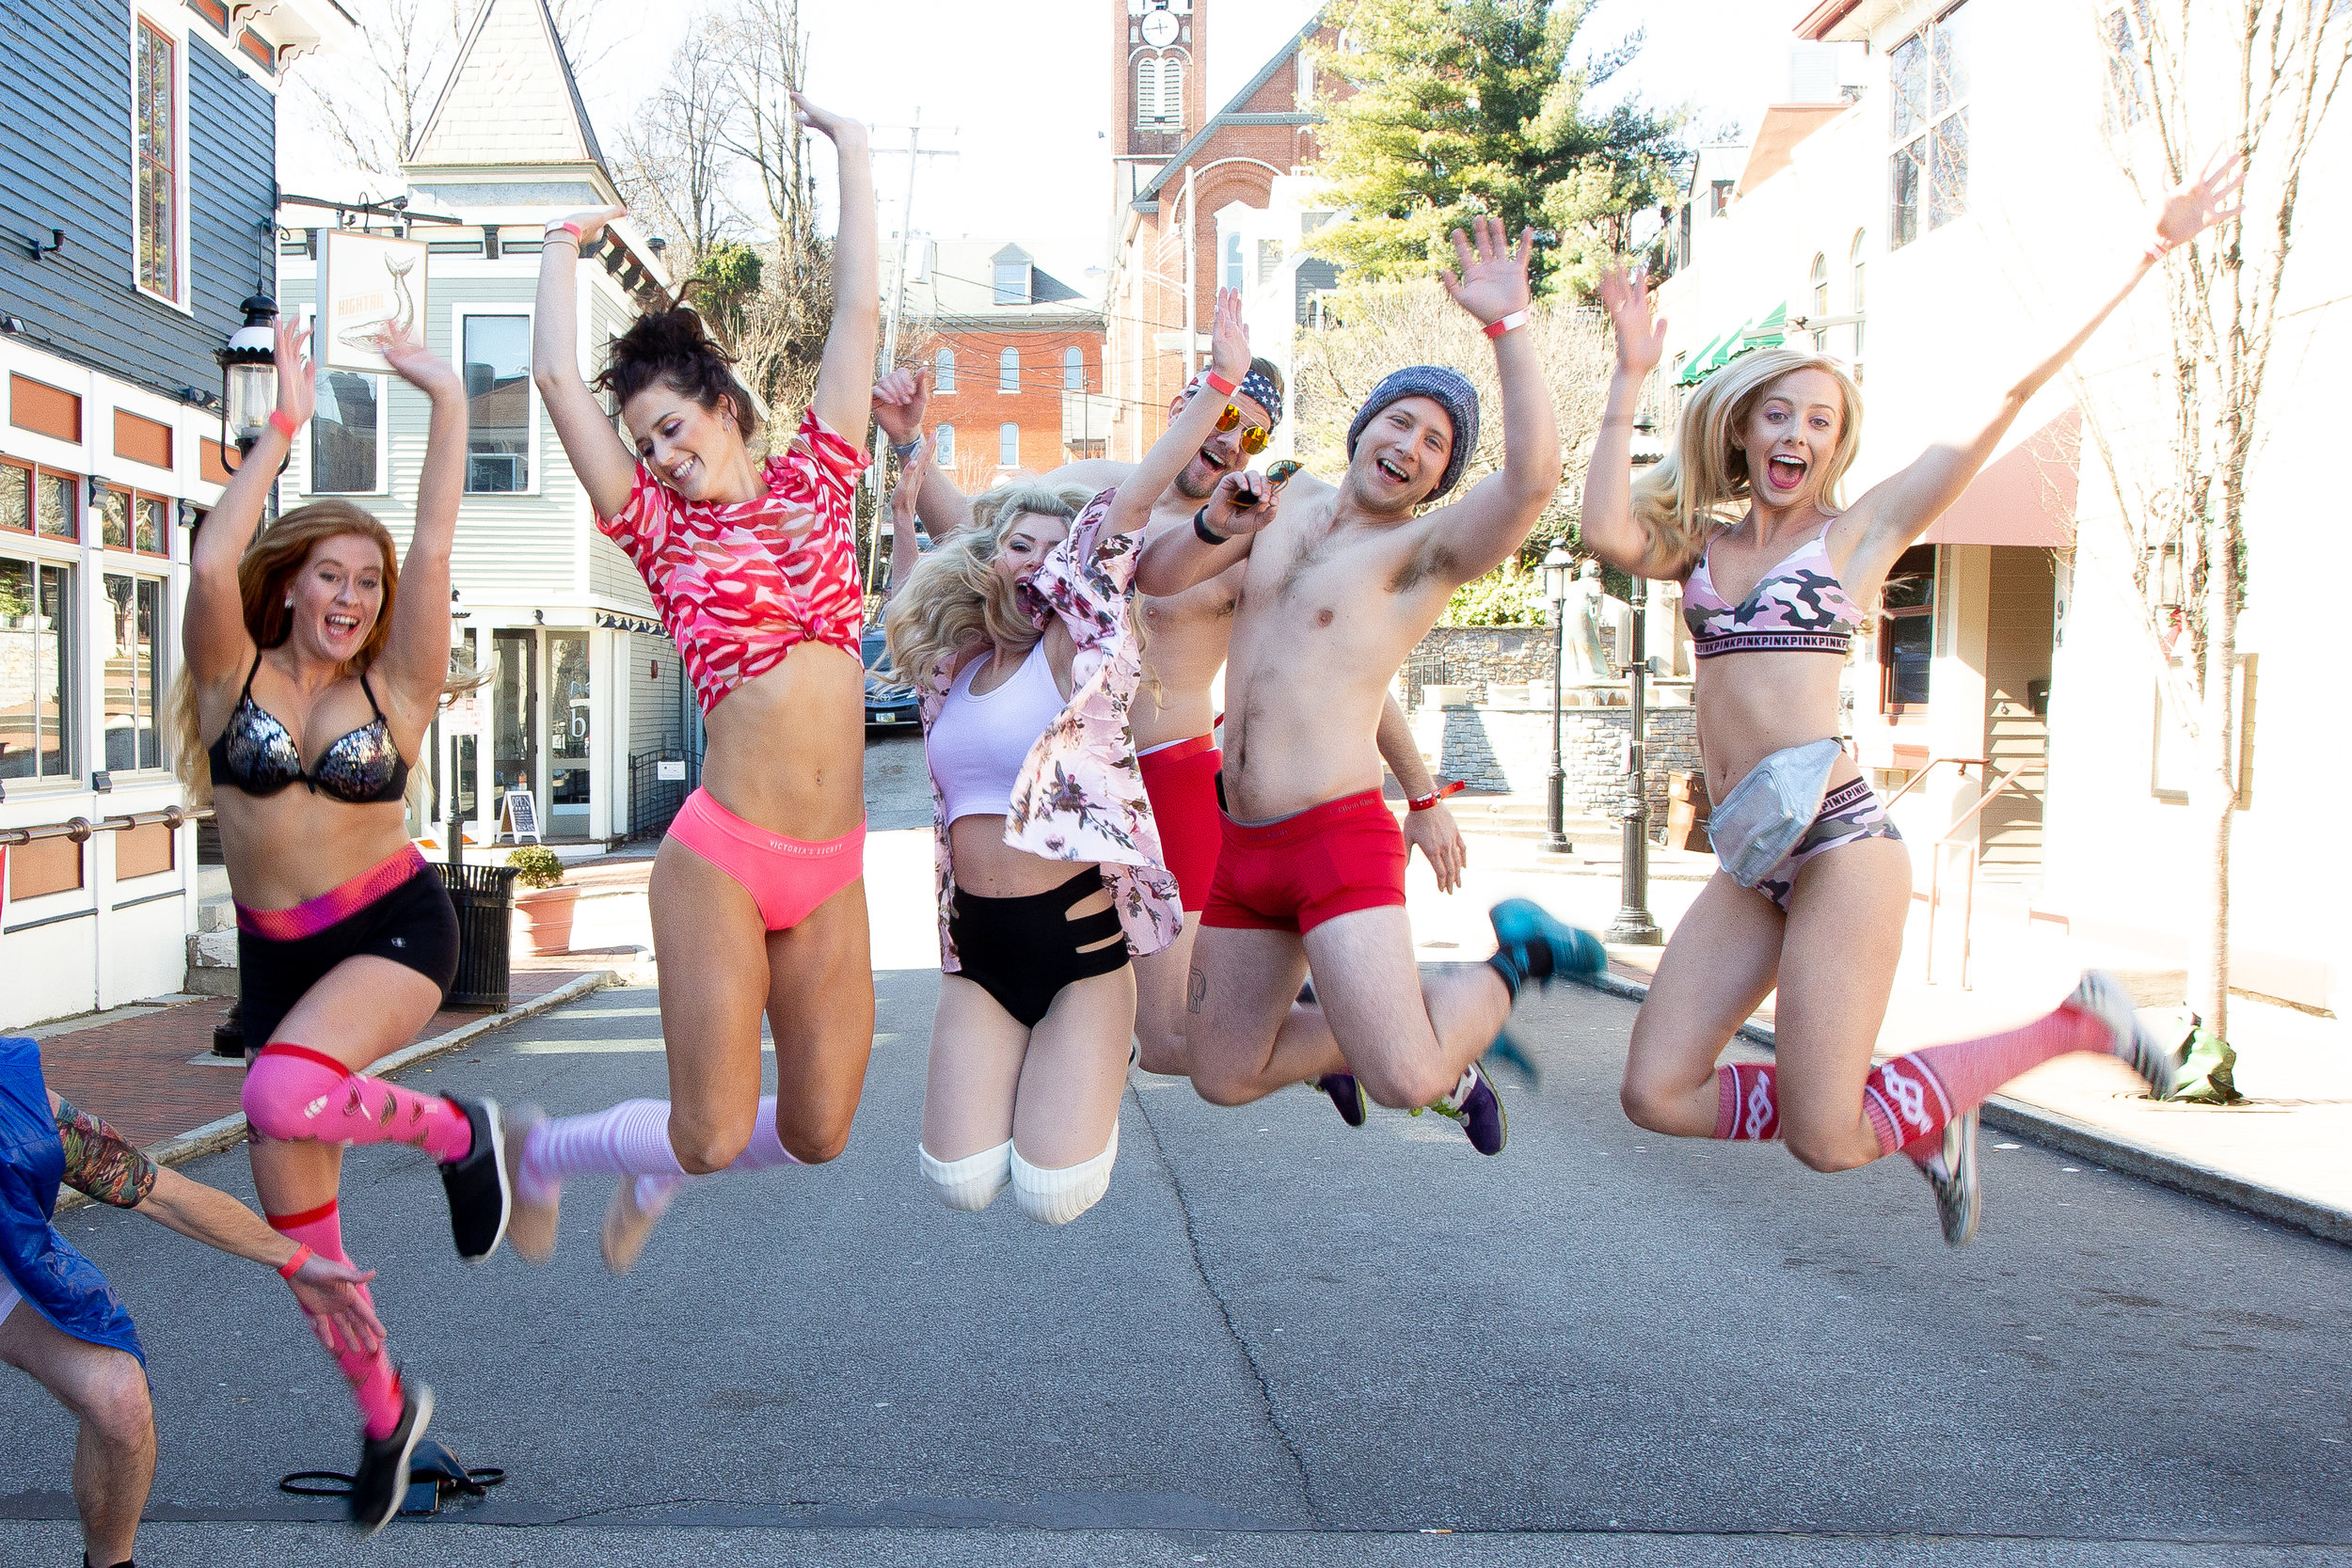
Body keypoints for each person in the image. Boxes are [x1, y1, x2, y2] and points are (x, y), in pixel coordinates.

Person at [1578, 150, 2245, 1244]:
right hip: (1754, 853)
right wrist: (1626, 374)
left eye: (1821, 422)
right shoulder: (1698, 543)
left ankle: (2073, 1024)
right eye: (1778, 414)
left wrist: (2146, 250)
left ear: (1841, 444)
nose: (1797, 435)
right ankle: (1917, 1112)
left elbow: (2004, 395)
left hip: (1840, 848)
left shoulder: (1859, 534)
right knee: (1654, 1089)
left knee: (1827, 1137)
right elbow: (1604, 530)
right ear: (1742, 426)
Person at [872, 354, 1465, 1130]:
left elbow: (1349, 674)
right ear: (1189, 402)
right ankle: (1343, 1035)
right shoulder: (1095, 488)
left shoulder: (1256, 525)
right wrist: (914, 444)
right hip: (1073, 782)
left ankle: (1378, 1036)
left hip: (1172, 773)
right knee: (1107, 1008)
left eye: (1251, 438)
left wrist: (1421, 793)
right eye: (1222, 419)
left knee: (1169, 1039)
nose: (1229, 445)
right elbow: (980, 532)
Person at [1131, 218, 1603, 1154]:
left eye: (1436, 445)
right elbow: (1157, 580)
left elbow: (1532, 480)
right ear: (1364, 425)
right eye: (1403, 421)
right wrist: (1217, 527)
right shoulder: (1281, 499)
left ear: (1438, 480)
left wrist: (1508, 328)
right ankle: (1408, 1019)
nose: (1413, 446)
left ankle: (1517, 958)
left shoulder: (1416, 557)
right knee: (1220, 1071)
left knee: (1413, 1078)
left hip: (1334, 840)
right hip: (1244, 845)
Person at [511, 94, 879, 1275]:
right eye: (648, 442)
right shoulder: (656, 533)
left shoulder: (824, 475)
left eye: (673, 427)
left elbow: (857, 311)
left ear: (723, 405)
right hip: (723, 854)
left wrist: (855, 155)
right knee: (714, 1130)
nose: (663, 455)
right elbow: (560, 387)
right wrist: (562, 249)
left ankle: (661, 1157)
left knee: (822, 1134)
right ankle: (557, 1150)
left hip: (832, 867)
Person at [171, 314, 503, 1532]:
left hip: (395, 931)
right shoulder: (231, 676)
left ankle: (455, 1128)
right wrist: (285, 428)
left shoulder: (394, 683)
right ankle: (382, 1413)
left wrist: (450, 400)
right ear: (293, 577)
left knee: (272, 1097)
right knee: (300, 1233)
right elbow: (211, 565)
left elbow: (439, 526)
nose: (354, 596)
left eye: (369, 582)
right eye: (332, 574)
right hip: (279, 965)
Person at [881, 291, 1257, 1224]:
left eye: (1058, 550)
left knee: (1053, 1194)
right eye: (1019, 545)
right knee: (959, 1181)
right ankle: (1039, 1066)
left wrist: (1216, 386)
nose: (1037, 562)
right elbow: (917, 578)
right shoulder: (952, 668)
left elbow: (1126, 509)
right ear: (990, 556)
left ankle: (1095, 1054)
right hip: (977, 949)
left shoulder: (1079, 653)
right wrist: (905, 462)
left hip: (1082, 942)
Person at [1, 1037, 385, 1566]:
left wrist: (295, 1259)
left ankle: (110, 1562)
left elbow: (162, 1193)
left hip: (7, 1258)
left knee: (118, 1397)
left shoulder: (21, 1108)